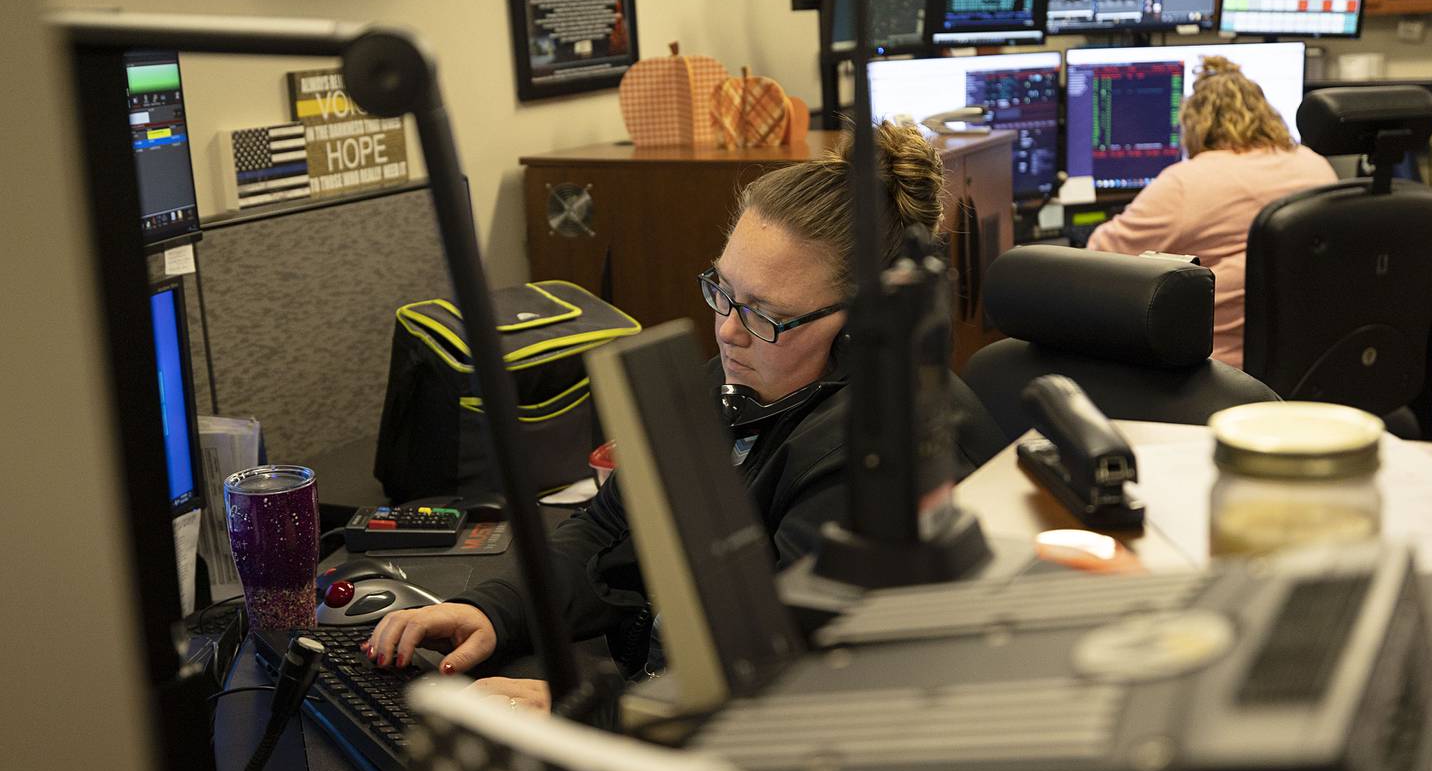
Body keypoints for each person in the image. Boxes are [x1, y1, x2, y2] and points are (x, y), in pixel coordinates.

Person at [362, 122, 1008, 710]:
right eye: (722, 290)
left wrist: (596, 715)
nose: (727, 331)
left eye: (766, 314)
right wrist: (496, 610)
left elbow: (792, 680)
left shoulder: (884, 457)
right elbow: (610, 526)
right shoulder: (741, 381)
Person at [1087, 55, 1338, 367]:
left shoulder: (1187, 183)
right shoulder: (1315, 165)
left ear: (1196, 124)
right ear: (1266, 113)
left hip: (1211, 370)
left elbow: (1098, 257)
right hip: (1304, 365)